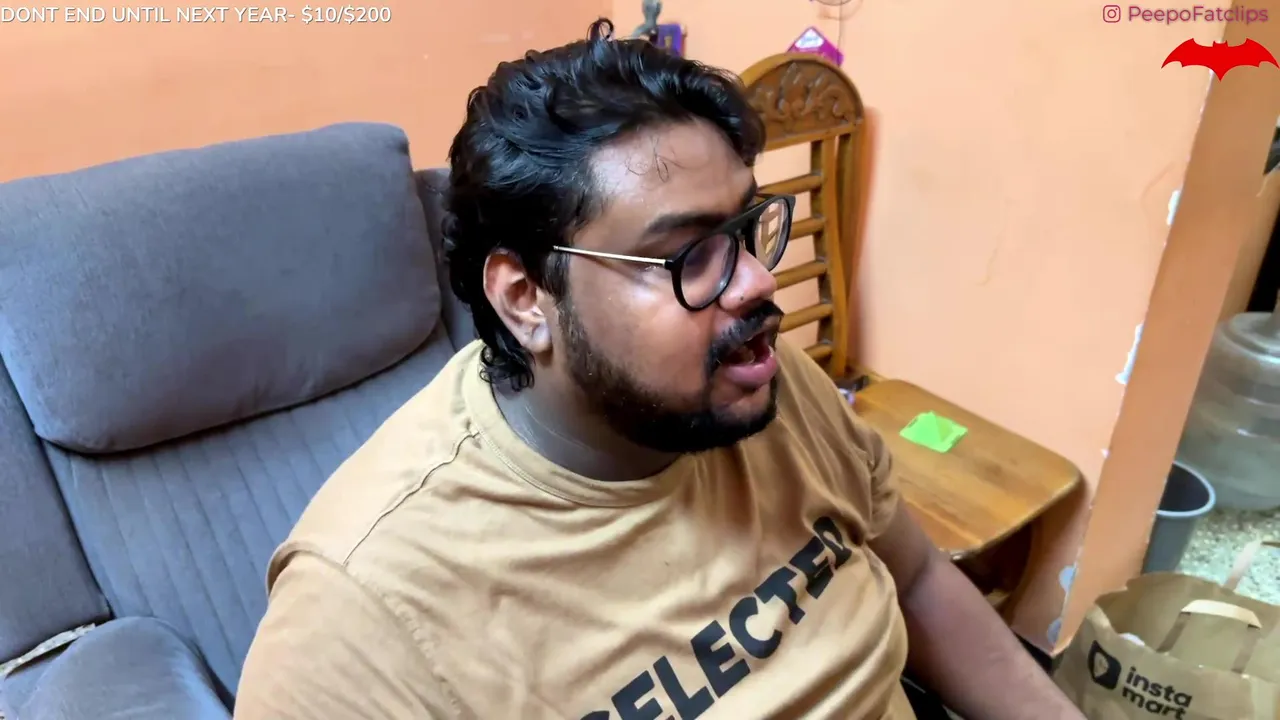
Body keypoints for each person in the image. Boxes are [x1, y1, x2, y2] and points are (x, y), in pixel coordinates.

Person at [235, 19, 1086, 720]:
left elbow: (920, 578)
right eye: (686, 254)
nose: (756, 285)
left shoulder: (761, 381)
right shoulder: (360, 617)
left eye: (745, 228)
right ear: (526, 298)